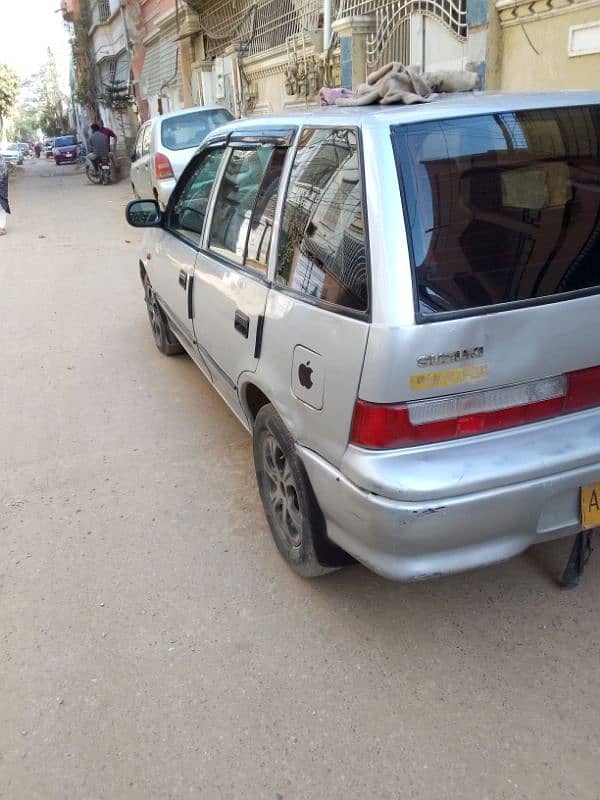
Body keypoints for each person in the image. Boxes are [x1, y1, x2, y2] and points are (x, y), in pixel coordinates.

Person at [0, 154, 10, 236]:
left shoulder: (1, 161)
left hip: (1, 187)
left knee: (1, 206)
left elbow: (4, 174)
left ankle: (2, 227)